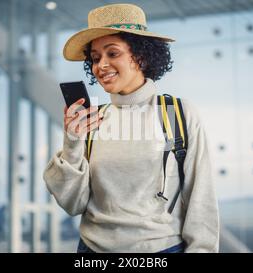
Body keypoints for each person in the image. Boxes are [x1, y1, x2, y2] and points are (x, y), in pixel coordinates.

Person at [43, 3, 219, 253]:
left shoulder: (178, 113)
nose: (100, 65)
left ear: (142, 56)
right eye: (95, 58)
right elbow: (73, 204)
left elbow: (201, 198)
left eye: (112, 53)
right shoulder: (94, 121)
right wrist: (72, 143)